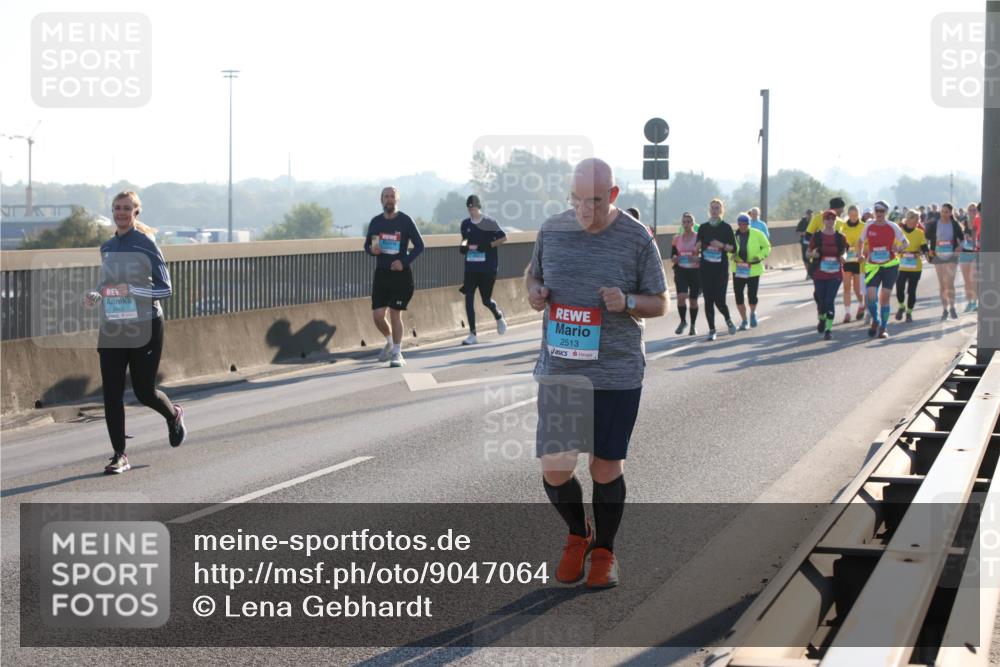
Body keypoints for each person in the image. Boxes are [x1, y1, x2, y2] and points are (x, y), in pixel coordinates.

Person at [526, 158, 667, 589]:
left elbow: (660, 303)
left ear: (614, 195)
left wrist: (626, 301)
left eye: (596, 201)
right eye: (578, 200)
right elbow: (533, 275)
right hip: (562, 368)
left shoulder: (637, 238)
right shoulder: (552, 230)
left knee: (604, 468)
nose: (587, 210)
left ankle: (604, 550)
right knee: (555, 468)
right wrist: (534, 293)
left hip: (616, 370)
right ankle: (578, 532)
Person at [82, 191, 185, 474]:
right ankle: (119, 455)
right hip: (114, 326)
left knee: (144, 391)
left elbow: (166, 289)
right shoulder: (107, 247)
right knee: (111, 394)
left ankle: (173, 414)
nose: (121, 213)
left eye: (127, 208)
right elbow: (106, 285)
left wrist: (134, 291)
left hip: (146, 325)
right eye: (117, 208)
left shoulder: (146, 244)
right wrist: (95, 295)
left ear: (136, 212)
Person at [364, 186, 425, 367]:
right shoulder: (376, 222)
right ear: (381, 200)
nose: (389, 199)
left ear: (397, 200)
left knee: (395, 314)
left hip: (400, 275)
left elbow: (421, 246)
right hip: (381, 274)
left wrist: (403, 262)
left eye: (392, 196)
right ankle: (390, 342)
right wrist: (371, 250)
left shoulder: (405, 221)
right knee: (377, 315)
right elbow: (368, 246)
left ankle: (397, 353)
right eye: (386, 197)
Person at [459, 194, 508, 345]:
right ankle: (472, 334)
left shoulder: (489, 222)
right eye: (469, 208)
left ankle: (498, 315)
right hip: (471, 266)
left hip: (487, 267)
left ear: (479, 207)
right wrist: (463, 246)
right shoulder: (465, 223)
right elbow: (465, 238)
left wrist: (489, 245)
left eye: (473, 207)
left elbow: (503, 237)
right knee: (468, 298)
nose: (471, 210)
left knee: (486, 300)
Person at [859, 200, 908, 338]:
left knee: (884, 298)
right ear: (874, 212)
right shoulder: (868, 225)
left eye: (882, 211)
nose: (879, 214)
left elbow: (906, 242)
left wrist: (899, 248)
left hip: (890, 266)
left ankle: (884, 328)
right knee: (871, 297)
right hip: (873, 265)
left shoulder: (892, 226)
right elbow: (860, 241)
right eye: (877, 211)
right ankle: (876, 319)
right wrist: (860, 254)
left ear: (886, 212)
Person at [697, 199, 737, 341]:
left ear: (721, 210)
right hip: (706, 268)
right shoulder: (703, 227)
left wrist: (721, 245)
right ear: (709, 210)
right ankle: (712, 329)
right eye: (712, 208)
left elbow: (734, 248)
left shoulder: (726, 228)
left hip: (720, 269)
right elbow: (697, 246)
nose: (714, 210)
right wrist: (697, 246)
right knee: (708, 300)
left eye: (717, 208)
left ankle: (728, 319)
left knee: (719, 300)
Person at [808, 210, 848, 340]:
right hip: (819, 273)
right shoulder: (817, 236)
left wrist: (843, 257)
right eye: (827, 218)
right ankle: (822, 318)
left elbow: (845, 251)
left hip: (835, 274)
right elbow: (808, 253)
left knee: (829, 301)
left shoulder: (840, 237)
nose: (830, 221)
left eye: (833, 219)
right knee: (821, 301)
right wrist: (813, 254)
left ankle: (828, 330)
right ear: (823, 220)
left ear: (835, 221)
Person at [730, 213, 771, 330]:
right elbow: (728, 248)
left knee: (752, 295)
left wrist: (759, 255)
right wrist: (731, 255)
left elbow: (767, 246)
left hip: (753, 269)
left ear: (749, 224)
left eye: (745, 224)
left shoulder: (757, 234)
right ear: (738, 224)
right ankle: (744, 320)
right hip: (738, 268)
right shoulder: (733, 235)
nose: (743, 226)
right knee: (738, 296)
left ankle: (752, 313)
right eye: (740, 224)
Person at [926, 202, 965, 321]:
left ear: (950, 213)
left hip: (951, 255)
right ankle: (945, 309)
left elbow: (962, 240)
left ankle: (952, 307)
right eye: (942, 211)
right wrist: (929, 250)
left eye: (946, 212)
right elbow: (927, 238)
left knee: (949, 283)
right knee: (942, 284)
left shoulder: (954, 224)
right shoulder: (934, 224)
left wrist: (960, 247)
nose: (943, 214)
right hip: (938, 255)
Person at [894, 210, 929, 322]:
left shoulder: (920, 233)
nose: (918, 222)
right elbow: (893, 245)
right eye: (916, 219)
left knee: (912, 290)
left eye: (919, 219)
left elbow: (924, 248)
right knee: (899, 288)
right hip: (901, 265)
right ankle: (901, 306)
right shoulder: (899, 232)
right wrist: (896, 250)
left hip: (915, 266)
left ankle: (909, 313)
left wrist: (926, 254)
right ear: (909, 219)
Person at [670, 212, 701, 335]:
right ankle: (683, 321)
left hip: (695, 271)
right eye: (684, 222)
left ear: (693, 224)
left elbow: (704, 254)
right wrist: (674, 258)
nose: (686, 224)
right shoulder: (676, 239)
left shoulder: (698, 238)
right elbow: (672, 254)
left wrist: (698, 258)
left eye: (688, 222)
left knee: (693, 300)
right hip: (681, 270)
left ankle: (693, 325)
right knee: (681, 297)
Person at [841, 205, 866, 322]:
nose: (853, 218)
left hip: (859, 260)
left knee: (857, 288)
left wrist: (863, 253)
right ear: (848, 215)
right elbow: (841, 242)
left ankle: (861, 305)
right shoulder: (843, 226)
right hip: (847, 259)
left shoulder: (863, 226)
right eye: (851, 215)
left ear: (858, 215)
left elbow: (867, 243)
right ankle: (847, 313)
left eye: (855, 215)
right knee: (846, 287)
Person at [959, 202, 981, 312]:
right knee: (967, 280)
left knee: (973, 279)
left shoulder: (980, 222)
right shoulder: (963, 224)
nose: (972, 212)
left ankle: (975, 302)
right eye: (970, 210)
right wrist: (963, 237)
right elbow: (958, 238)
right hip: (964, 254)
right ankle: (970, 302)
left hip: (975, 254)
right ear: (967, 211)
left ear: (977, 211)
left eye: (974, 210)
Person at [796, 209, 813, 279]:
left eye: (811, 215)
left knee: (812, 259)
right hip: (804, 243)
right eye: (808, 215)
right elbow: (797, 231)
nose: (809, 216)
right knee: (805, 259)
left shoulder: (814, 221)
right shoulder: (802, 222)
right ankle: (808, 273)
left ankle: (811, 273)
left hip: (813, 243)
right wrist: (803, 233)